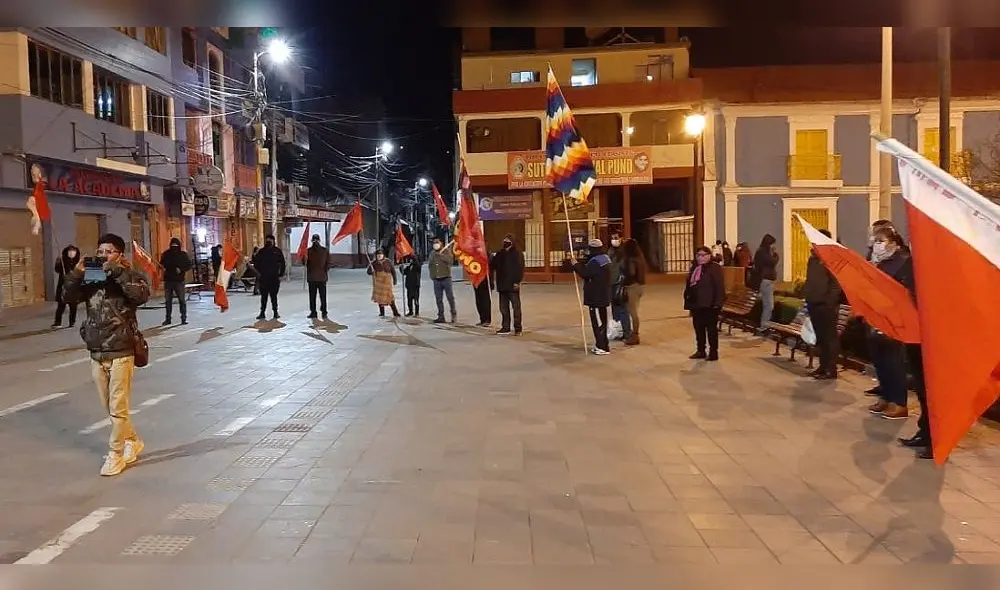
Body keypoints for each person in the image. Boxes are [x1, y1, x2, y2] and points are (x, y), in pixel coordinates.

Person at [62, 233, 150, 476]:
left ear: (120, 254)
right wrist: (76, 274)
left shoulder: (129, 275)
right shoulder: (93, 277)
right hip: (96, 349)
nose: (103, 256)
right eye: (100, 252)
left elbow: (140, 296)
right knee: (109, 407)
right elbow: (68, 298)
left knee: (118, 407)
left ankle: (115, 454)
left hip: (121, 349)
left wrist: (116, 271)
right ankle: (133, 440)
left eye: (109, 251)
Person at [866, 225, 913, 420]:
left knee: (893, 361)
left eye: (881, 241)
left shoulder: (901, 262)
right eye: (875, 241)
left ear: (893, 243)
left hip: (893, 320)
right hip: (876, 316)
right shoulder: (878, 262)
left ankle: (899, 402)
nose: (876, 245)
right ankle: (885, 396)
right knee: (880, 361)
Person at [803, 229, 843, 379]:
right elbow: (810, 281)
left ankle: (830, 369)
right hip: (813, 303)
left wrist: (829, 301)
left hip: (826, 306)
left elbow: (836, 284)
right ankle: (822, 366)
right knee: (820, 338)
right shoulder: (813, 258)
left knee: (829, 338)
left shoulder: (831, 258)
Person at [568, 239, 612, 355]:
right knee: (601, 321)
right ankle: (600, 344)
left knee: (598, 322)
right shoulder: (605, 259)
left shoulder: (596, 261)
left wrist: (575, 265)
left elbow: (585, 273)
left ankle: (602, 346)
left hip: (596, 297)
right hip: (602, 294)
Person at [684, 246, 725, 361]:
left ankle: (713, 352)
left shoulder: (714, 268)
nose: (700, 258)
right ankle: (701, 350)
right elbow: (690, 284)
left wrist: (718, 303)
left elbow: (719, 287)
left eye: (703, 255)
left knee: (711, 329)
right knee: (699, 328)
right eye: (698, 255)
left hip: (710, 304)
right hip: (696, 304)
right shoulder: (695, 267)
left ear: (709, 256)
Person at [491, 233, 525, 335]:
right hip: (502, 285)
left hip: (512, 285)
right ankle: (505, 327)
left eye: (507, 241)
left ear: (512, 242)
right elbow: (493, 265)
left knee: (516, 308)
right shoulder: (500, 253)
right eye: (504, 241)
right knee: (503, 308)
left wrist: (517, 281)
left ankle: (518, 328)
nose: (505, 243)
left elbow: (520, 269)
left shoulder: (517, 253)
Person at [620, 238, 648, 346]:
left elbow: (630, 273)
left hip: (632, 286)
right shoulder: (640, 258)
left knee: (632, 312)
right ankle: (634, 334)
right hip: (640, 286)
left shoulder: (630, 259)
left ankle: (635, 335)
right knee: (634, 311)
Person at [159, 237, 192, 326]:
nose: (174, 247)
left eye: (176, 246)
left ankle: (183, 318)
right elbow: (161, 264)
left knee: (182, 300)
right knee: (168, 301)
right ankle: (168, 319)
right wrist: (161, 266)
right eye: (172, 245)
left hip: (179, 281)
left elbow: (189, 265)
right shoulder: (166, 254)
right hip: (168, 280)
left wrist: (181, 269)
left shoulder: (183, 255)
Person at [253, 234, 285, 321]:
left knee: (273, 296)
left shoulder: (277, 251)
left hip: (274, 278)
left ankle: (275, 312)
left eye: (270, 240)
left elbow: (283, 263)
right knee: (264, 297)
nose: (268, 242)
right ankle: (262, 313)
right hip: (264, 278)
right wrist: (258, 272)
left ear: (273, 241)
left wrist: (281, 275)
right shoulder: (261, 252)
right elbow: (256, 263)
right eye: (267, 240)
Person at [751, 234, 779, 333]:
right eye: (773, 244)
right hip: (766, 280)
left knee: (767, 304)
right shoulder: (763, 253)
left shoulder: (761, 252)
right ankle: (764, 326)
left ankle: (765, 325)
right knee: (769, 305)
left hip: (766, 280)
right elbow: (772, 262)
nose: (774, 246)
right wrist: (775, 255)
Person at [428, 237, 456, 324]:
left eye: (437, 242)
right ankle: (441, 316)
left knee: (450, 297)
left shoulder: (446, 251)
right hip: (436, 279)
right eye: (434, 243)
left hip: (446, 277)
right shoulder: (432, 253)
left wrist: (441, 256)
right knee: (438, 298)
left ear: (441, 244)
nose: (435, 244)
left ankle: (453, 313)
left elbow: (450, 261)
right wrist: (432, 276)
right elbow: (430, 265)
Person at [52, 244, 81, 328]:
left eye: (73, 251)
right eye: (70, 251)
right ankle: (58, 322)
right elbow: (57, 270)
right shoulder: (62, 262)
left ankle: (72, 322)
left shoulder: (78, 262)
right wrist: (58, 262)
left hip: (74, 286)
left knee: (73, 306)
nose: (72, 253)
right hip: (63, 286)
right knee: (61, 306)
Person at [607, 231, 628, 341]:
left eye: (616, 237)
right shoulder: (610, 251)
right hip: (611, 282)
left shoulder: (624, 251)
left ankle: (626, 332)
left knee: (622, 309)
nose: (614, 240)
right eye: (612, 238)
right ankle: (617, 330)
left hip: (620, 282)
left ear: (621, 238)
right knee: (614, 308)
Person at [367, 250, 401, 318]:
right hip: (378, 283)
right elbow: (368, 272)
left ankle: (395, 312)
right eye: (378, 255)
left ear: (383, 255)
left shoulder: (388, 261)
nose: (379, 256)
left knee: (390, 297)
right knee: (380, 298)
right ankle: (382, 313)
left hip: (387, 282)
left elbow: (393, 271)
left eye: (381, 254)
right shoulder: (373, 263)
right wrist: (372, 271)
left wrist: (395, 280)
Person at [305, 233, 330, 319]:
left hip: (314, 277)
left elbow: (305, 263)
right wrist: (324, 271)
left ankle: (315, 312)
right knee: (321, 296)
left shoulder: (309, 251)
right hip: (320, 277)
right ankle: (322, 312)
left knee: (314, 296)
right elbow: (328, 263)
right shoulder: (323, 250)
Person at [473, 259, 492, 327]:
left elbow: (492, 266)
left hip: (486, 282)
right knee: (478, 302)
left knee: (485, 302)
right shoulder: (474, 256)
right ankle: (482, 319)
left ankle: (487, 319)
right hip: (477, 281)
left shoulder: (486, 256)